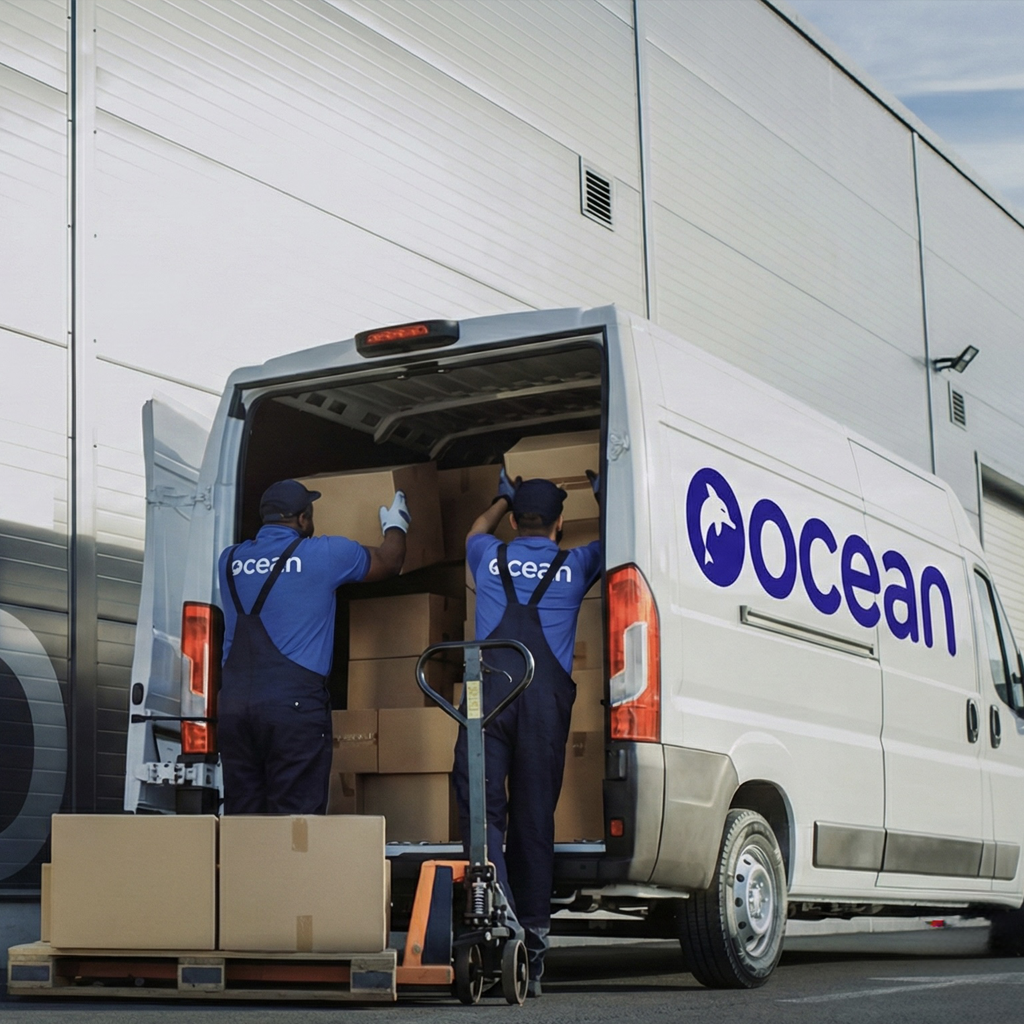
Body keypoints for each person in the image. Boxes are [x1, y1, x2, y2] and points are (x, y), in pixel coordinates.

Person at [453, 470, 601, 997]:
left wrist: (500, 496)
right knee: (534, 820)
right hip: (543, 703)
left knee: (480, 810)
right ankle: (532, 947)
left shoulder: (487, 556)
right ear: (560, 524)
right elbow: (623, 539)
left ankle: (497, 916)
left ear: (514, 521)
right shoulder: (577, 563)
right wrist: (605, 494)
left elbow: (474, 531)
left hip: (487, 695)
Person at [217, 478, 408, 815]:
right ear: (303, 519)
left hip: (234, 707)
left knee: (243, 817)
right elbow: (389, 561)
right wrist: (397, 526)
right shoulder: (324, 555)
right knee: (296, 819)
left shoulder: (229, 560)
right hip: (293, 706)